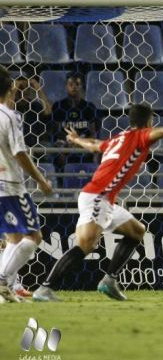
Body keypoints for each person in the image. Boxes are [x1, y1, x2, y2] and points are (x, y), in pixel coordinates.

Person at [32, 99, 163, 302]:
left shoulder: (119, 137)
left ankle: (109, 280)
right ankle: (45, 288)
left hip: (105, 199)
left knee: (137, 232)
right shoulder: (139, 137)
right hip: (97, 196)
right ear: (149, 120)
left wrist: (76, 140)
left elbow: (95, 146)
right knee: (86, 245)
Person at [0, 65, 53, 303]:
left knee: (13, 239)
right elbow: (20, 152)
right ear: (10, 87)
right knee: (33, 236)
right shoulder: (9, 116)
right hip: (11, 185)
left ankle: (7, 289)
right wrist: (40, 179)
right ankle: (2, 282)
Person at [52, 73, 98, 165]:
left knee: (95, 151)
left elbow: (92, 133)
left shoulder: (89, 107)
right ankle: (62, 176)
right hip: (65, 143)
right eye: (71, 84)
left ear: (82, 87)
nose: (74, 87)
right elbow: (56, 132)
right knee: (59, 151)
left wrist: (79, 141)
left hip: (83, 142)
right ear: (66, 86)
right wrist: (69, 141)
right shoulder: (58, 106)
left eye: (77, 84)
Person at [12, 76, 52, 148]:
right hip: (15, 144)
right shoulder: (11, 107)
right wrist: (14, 91)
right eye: (20, 88)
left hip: (35, 144)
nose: (24, 91)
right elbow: (4, 112)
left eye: (27, 88)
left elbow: (48, 114)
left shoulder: (35, 106)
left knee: (48, 147)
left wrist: (39, 90)